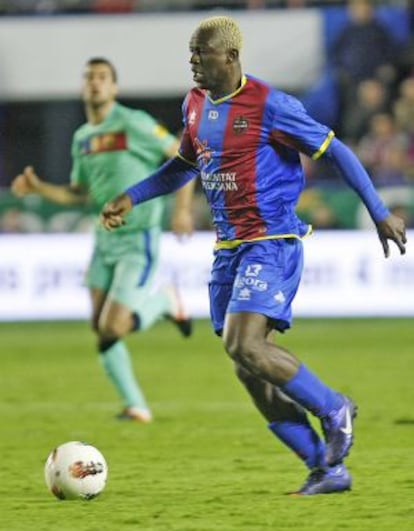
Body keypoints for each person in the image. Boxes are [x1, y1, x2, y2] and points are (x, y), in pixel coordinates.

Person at [100, 17, 407, 495]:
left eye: (200, 54)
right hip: (226, 249)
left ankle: (334, 407)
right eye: (191, 54)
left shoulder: (271, 104)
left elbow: (337, 151)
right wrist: (132, 196)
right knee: (247, 367)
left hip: (272, 242)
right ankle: (327, 470)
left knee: (245, 345)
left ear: (230, 56)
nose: (192, 62)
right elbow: (182, 165)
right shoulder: (195, 104)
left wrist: (380, 212)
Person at [11, 57, 195, 424]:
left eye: (102, 78)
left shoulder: (134, 123)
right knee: (101, 326)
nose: (94, 83)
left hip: (138, 236)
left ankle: (163, 301)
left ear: (114, 87)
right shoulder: (83, 139)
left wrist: (182, 210)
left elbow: (183, 157)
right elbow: (81, 193)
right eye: (89, 78)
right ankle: (136, 407)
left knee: (113, 326)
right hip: (104, 239)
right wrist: (39, 188)